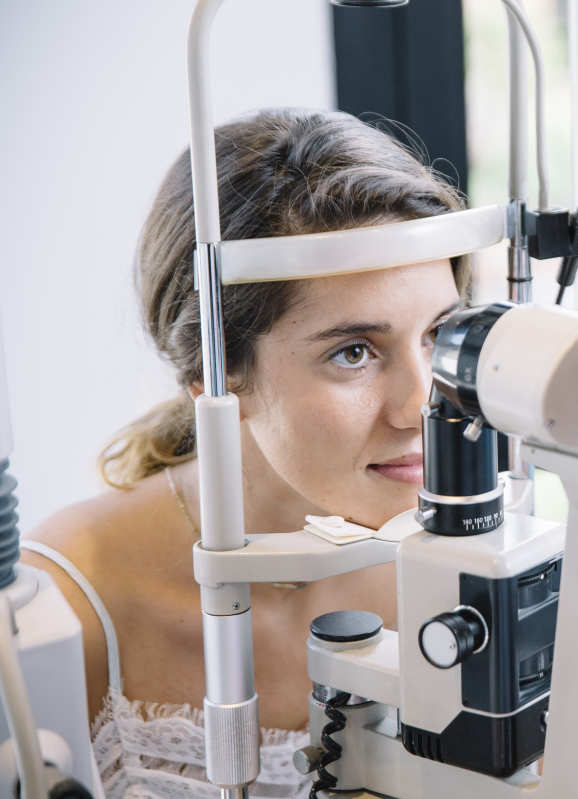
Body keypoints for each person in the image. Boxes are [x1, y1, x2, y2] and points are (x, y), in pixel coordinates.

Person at [19, 108, 468, 799]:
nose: (422, 405)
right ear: (219, 376)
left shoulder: (475, 568)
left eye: (440, 335)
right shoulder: (61, 611)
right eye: (354, 352)